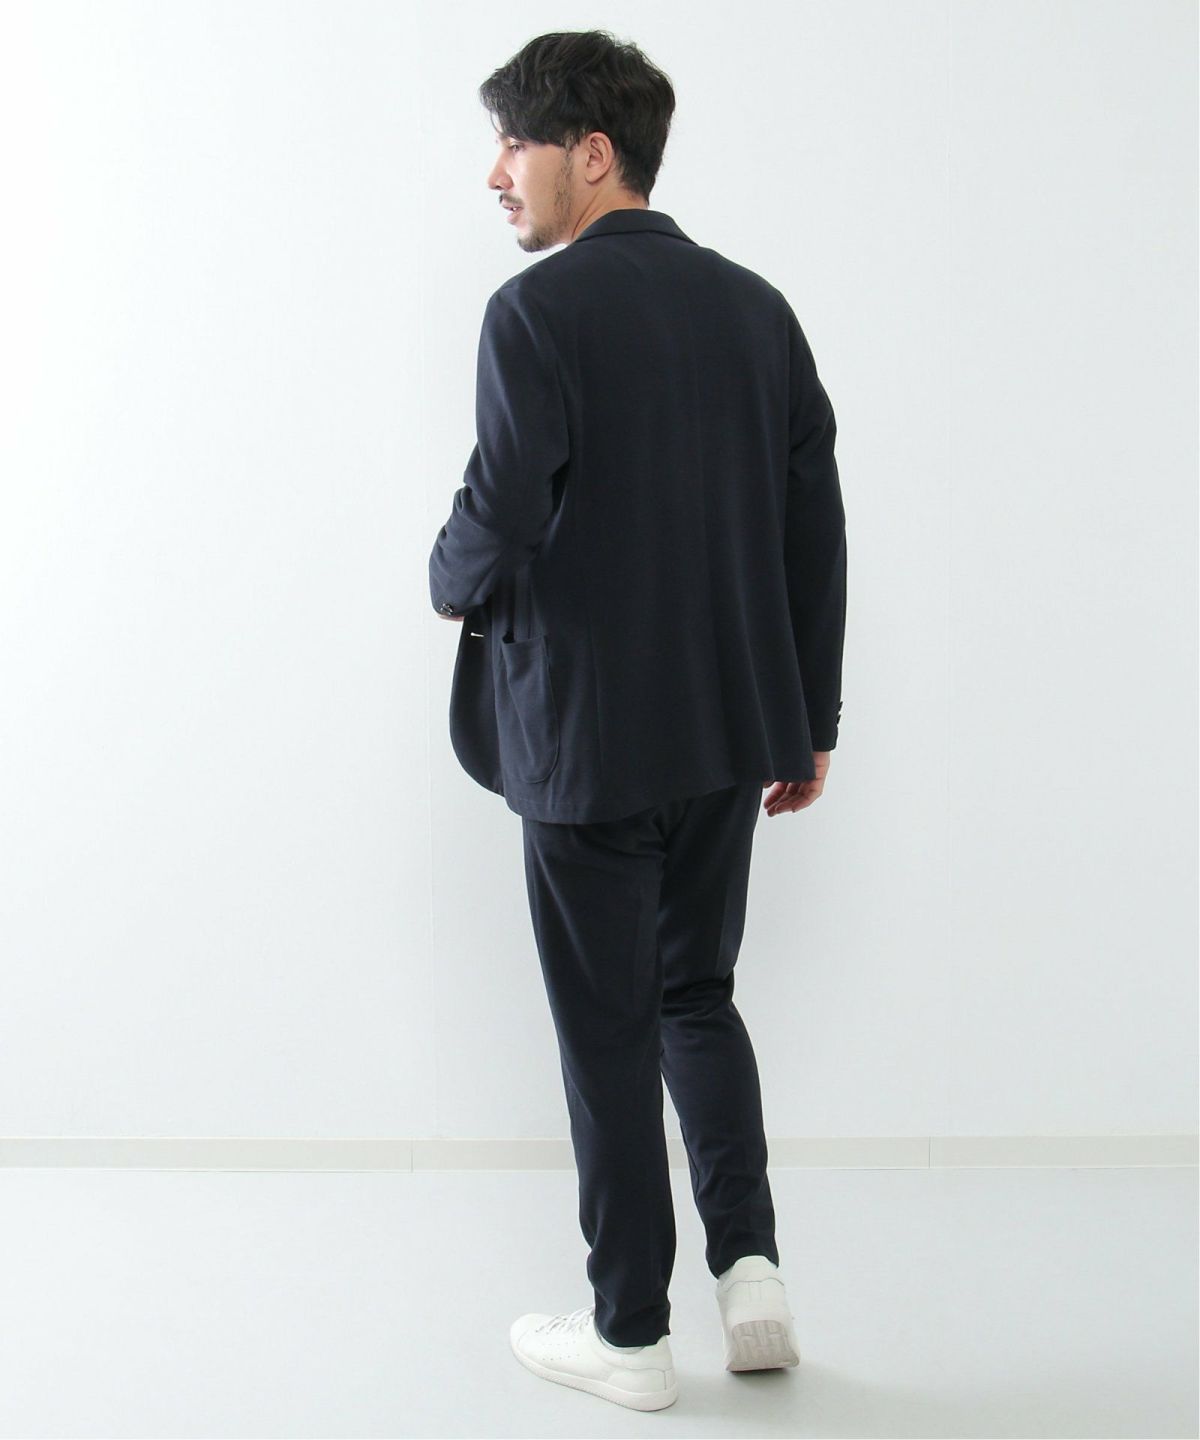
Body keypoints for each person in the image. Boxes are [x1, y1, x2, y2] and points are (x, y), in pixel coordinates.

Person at [429, 28, 846, 1413]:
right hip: (728, 732)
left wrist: (445, 577)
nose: (498, 173)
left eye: (516, 142)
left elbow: (501, 507)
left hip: (584, 741)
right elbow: (814, 525)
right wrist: (809, 717)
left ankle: (629, 1337)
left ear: (592, 153)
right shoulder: (758, 312)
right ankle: (753, 1276)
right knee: (695, 996)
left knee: (607, 1033)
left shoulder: (535, 315)